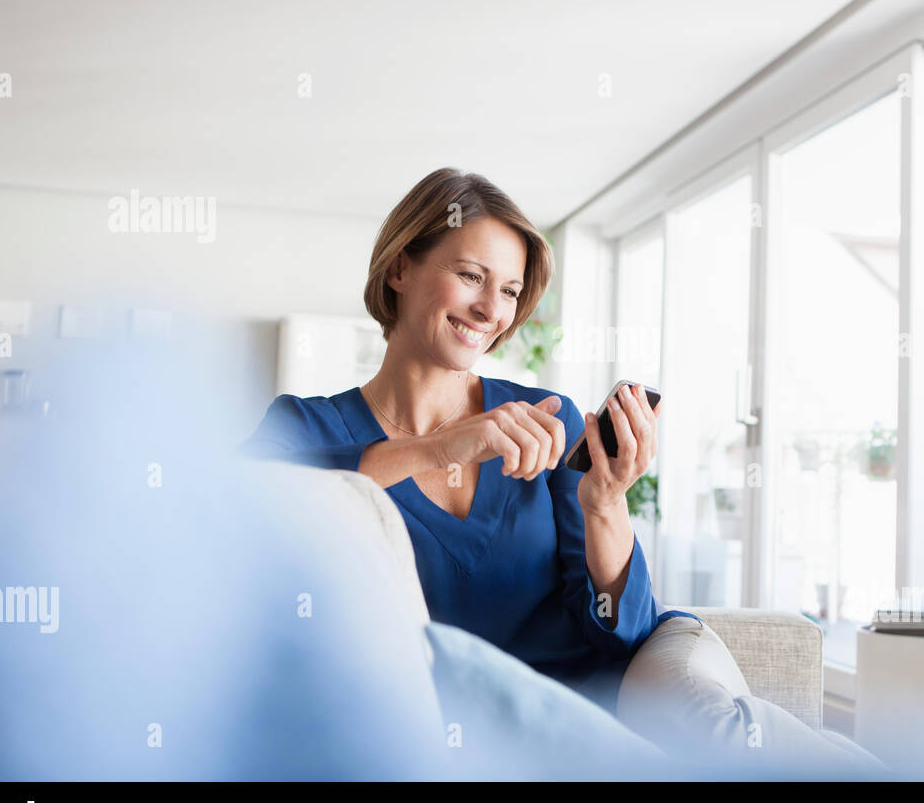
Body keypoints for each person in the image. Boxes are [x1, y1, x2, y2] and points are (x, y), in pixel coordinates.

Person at [240, 167, 689, 713]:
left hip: (564, 726)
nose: (492, 310)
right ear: (401, 267)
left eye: (509, 290)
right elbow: (235, 519)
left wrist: (605, 505)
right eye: (472, 276)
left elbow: (627, 632)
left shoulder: (550, 423)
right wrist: (437, 449)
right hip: (408, 733)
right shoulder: (301, 429)